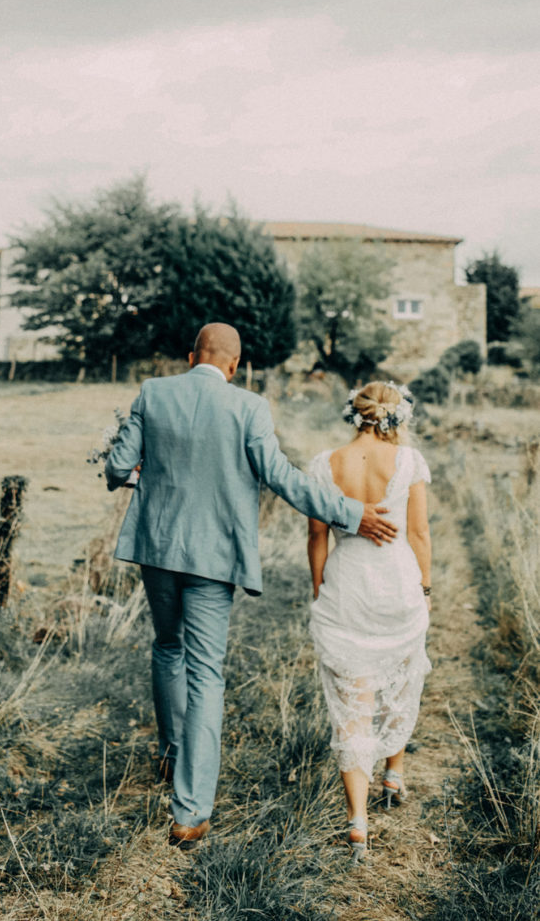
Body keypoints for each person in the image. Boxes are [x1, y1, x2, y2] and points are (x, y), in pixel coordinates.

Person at [105, 323, 399, 849]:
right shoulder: (249, 407)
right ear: (235, 365)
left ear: (191, 354)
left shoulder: (153, 392)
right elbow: (283, 478)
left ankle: (172, 753)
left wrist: (140, 477)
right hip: (214, 560)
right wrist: (351, 514)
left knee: (167, 647)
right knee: (206, 674)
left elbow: (117, 465)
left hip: (157, 549)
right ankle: (190, 811)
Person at [307, 380, 432, 865]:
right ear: (395, 416)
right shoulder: (407, 462)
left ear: (355, 414)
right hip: (397, 582)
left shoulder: (324, 463)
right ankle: (394, 773)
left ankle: (358, 820)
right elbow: (418, 532)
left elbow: (317, 537)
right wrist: (425, 589)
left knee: (354, 701)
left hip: (348, 585)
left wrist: (320, 587)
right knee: (402, 672)